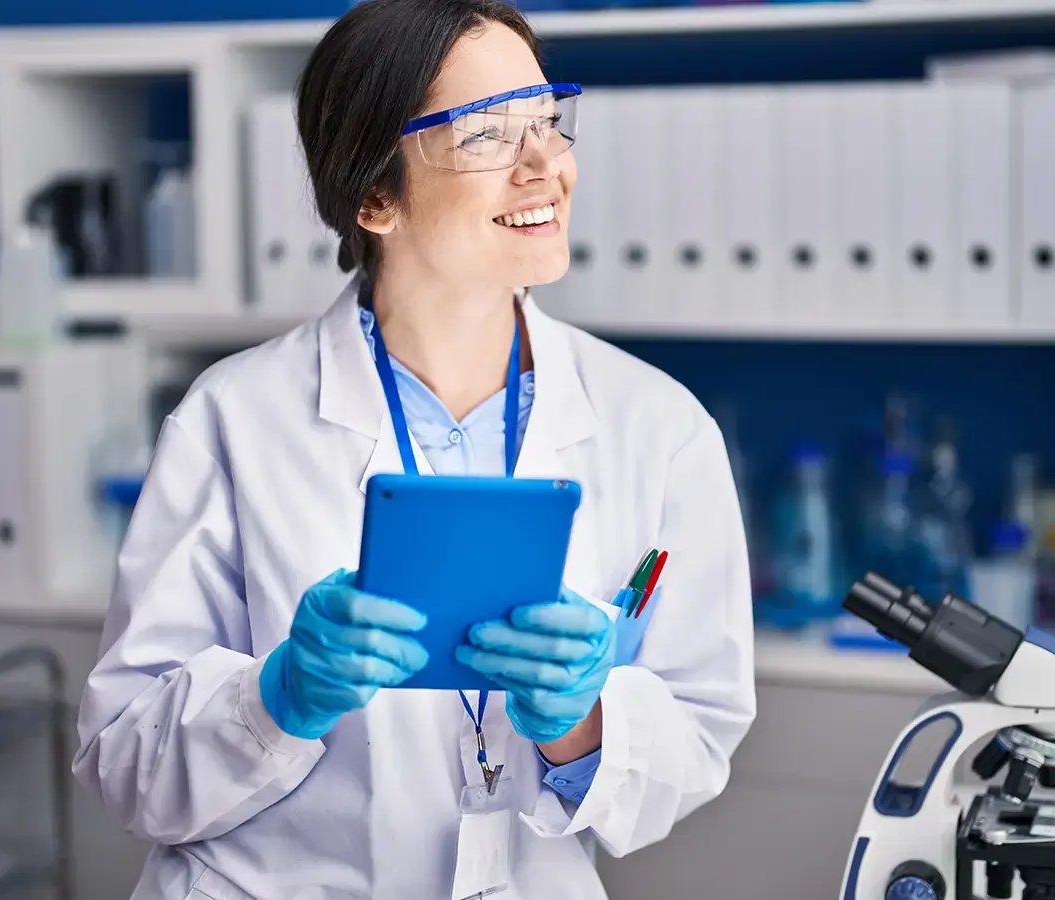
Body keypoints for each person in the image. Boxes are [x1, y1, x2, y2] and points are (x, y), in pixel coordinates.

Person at [73, 1, 755, 897]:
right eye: (487, 136)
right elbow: (125, 764)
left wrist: (584, 725)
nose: (547, 165)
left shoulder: (657, 427)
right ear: (374, 197)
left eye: (549, 121)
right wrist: (276, 701)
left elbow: (699, 738)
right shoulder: (232, 420)